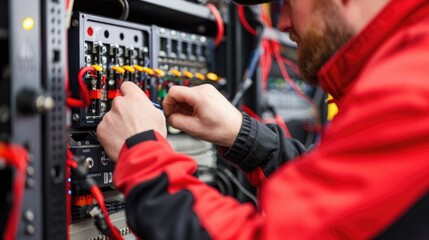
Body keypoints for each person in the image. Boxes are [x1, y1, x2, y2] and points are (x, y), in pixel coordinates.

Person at [96, 0, 429, 239]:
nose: (282, 23)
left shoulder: (413, 86)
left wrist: (141, 153)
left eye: (287, 2)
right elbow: (352, 199)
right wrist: (245, 137)